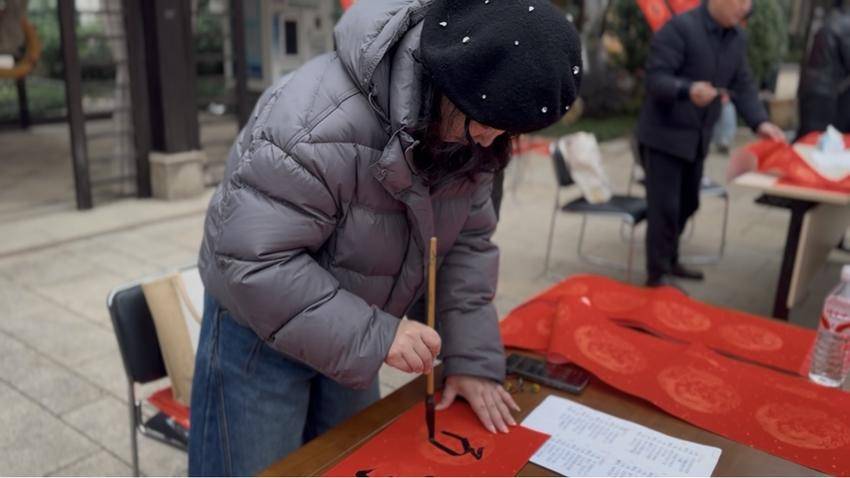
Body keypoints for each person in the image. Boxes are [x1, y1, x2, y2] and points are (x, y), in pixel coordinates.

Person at [189, 0, 583, 475]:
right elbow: (253, 261)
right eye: (487, 121)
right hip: (259, 331)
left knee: (350, 460)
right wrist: (377, 335)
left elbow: (467, 247)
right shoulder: (312, 124)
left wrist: (471, 360)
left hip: (357, 320)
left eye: (508, 130)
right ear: (452, 80)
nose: (490, 139)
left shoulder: (474, 132)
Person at [637, 0, 785, 288]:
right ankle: (657, 275)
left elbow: (743, 84)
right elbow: (655, 79)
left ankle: (671, 259)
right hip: (663, 136)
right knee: (665, 209)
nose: (745, 8)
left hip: (697, 137)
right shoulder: (680, 28)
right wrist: (687, 89)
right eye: (740, 1)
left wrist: (760, 122)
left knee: (689, 203)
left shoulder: (736, 37)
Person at [796, 1, 850, 138]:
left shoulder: (830, 21)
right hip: (829, 95)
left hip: (811, 89)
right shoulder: (845, 26)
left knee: (809, 137)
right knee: (823, 139)